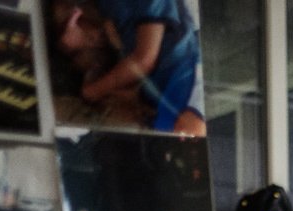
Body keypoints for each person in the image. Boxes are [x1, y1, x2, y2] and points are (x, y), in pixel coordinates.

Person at [65, 0, 205, 135]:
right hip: (148, 98)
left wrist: (92, 92)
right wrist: (81, 37)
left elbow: (144, 60)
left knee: (190, 132)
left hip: (182, 82)